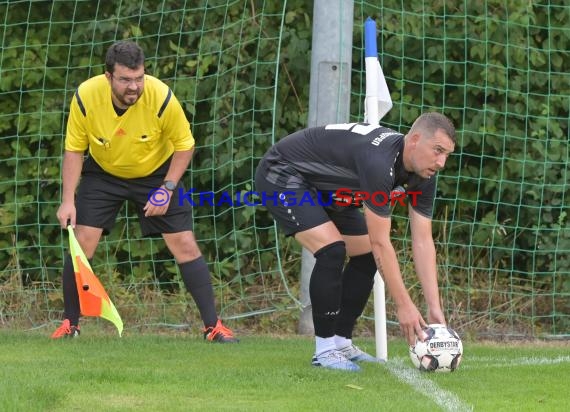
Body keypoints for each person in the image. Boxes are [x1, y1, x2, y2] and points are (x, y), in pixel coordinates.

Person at [52, 40, 238, 343]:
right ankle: (69, 325)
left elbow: (185, 145)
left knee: (185, 243)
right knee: (82, 241)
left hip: (156, 172)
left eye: (139, 78)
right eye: (125, 79)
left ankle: (213, 327)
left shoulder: (161, 97)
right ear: (108, 76)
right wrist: (67, 200)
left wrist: (167, 188)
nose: (134, 86)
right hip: (104, 173)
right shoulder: (86, 96)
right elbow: (74, 149)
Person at [255, 113, 456, 371]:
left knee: (366, 254)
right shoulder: (379, 162)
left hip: (331, 191)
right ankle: (324, 350)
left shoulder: (424, 175)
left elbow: (423, 241)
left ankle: (341, 341)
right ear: (415, 140)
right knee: (332, 250)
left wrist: (434, 307)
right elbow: (381, 242)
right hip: (284, 172)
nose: (441, 162)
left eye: (447, 155)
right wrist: (404, 306)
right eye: (437, 150)